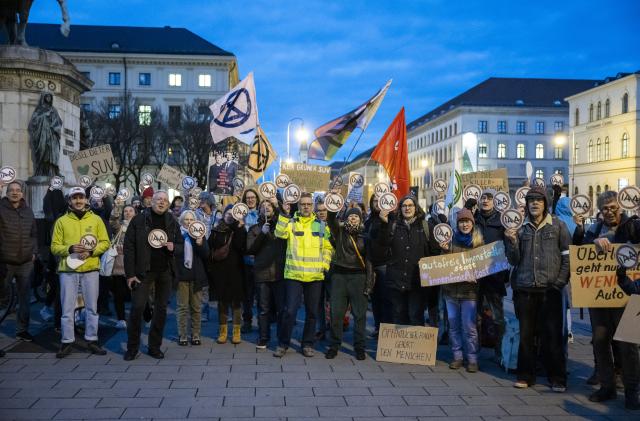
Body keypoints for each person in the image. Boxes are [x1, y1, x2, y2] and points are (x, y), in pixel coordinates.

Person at [573, 190, 640, 409]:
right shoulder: (594, 229)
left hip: (628, 298)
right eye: (605, 209)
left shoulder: (632, 225)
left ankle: (632, 392)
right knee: (601, 342)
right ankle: (607, 386)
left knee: (629, 347)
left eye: (613, 207)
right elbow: (580, 250)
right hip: (599, 295)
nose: (610, 212)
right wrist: (591, 240)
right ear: (600, 211)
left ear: (620, 206)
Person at [504, 186, 570, 392]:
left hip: (550, 290)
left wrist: (558, 283)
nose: (534, 203)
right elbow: (513, 260)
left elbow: (568, 258)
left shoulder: (558, 226)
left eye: (538, 200)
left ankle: (557, 377)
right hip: (525, 289)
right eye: (531, 200)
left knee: (552, 336)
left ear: (545, 204)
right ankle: (525, 375)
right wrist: (512, 241)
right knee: (526, 335)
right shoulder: (521, 229)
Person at [50, 186, 110, 358]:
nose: (78, 201)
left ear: (86, 200)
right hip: (68, 270)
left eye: (81, 198)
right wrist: (69, 249)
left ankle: (92, 340)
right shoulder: (62, 221)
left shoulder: (96, 220)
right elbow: (54, 247)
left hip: (90, 268)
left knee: (92, 307)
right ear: (69, 201)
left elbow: (105, 242)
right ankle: (66, 341)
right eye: (74, 198)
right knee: (67, 308)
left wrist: (91, 252)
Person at [123, 190, 183, 360]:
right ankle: (132, 347)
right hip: (143, 272)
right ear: (151, 202)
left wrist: (174, 247)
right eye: (159, 200)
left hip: (165, 271)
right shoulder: (139, 219)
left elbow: (180, 244)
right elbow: (129, 248)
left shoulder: (172, 220)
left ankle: (154, 346)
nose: (162, 202)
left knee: (161, 310)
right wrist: (130, 275)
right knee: (137, 308)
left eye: (165, 200)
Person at [274, 192, 332, 358]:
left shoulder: (321, 225)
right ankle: (283, 343)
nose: (306, 206)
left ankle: (307, 344)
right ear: (298, 206)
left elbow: (328, 247)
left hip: (315, 277)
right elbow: (279, 234)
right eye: (302, 204)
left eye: (308, 204)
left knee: (312, 313)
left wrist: (324, 265)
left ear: (312, 206)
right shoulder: (291, 222)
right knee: (290, 311)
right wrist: (284, 214)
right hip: (294, 275)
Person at [377, 195, 439, 325]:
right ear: (400, 209)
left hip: (417, 282)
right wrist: (383, 224)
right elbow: (381, 248)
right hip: (396, 281)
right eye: (404, 206)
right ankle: (401, 346)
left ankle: (417, 346)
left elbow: (434, 253)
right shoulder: (392, 225)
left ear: (416, 208)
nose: (407, 208)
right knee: (399, 317)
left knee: (415, 316)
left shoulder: (426, 227)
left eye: (410, 205)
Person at [324, 206, 373, 360]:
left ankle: (359, 347)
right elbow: (331, 220)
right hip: (339, 276)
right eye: (350, 216)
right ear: (345, 218)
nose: (353, 218)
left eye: (356, 216)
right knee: (336, 313)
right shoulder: (339, 232)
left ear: (360, 219)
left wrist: (369, 282)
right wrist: (333, 205)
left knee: (359, 315)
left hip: (358, 277)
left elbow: (369, 262)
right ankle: (334, 345)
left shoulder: (365, 236)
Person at [441, 208, 483, 373]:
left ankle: (472, 358)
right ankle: (457, 356)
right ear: (457, 224)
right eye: (461, 221)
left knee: (469, 326)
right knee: (453, 325)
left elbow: (485, 265)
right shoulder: (450, 242)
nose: (464, 224)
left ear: (472, 223)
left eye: (467, 221)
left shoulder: (479, 242)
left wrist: (477, 276)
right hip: (450, 292)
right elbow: (441, 266)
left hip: (469, 292)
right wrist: (443, 250)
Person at [0, 180, 38, 341]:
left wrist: (34, 252)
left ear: (22, 193)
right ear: (7, 193)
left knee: (25, 298)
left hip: (26, 262)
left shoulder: (28, 211)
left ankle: (22, 330)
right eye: (11, 190)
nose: (15, 192)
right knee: (2, 298)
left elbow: (34, 233)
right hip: (4, 261)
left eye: (18, 190)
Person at [246, 198, 287, 349]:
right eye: (263, 206)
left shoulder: (280, 226)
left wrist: (279, 203)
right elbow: (250, 249)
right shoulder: (254, 229)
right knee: (263, 308)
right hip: (262, 273)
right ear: (259, 211)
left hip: (279, 273)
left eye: (269, 205)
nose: (266, 208)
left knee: (281, 308)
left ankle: (282, 339)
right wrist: (262, 234)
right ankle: (263, 337)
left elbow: (287, 218)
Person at [474, 190, 508, 363]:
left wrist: (505, 274)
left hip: (495, 276)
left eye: (489, 198)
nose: (485, 201)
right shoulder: (473, 219)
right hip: (475, 276)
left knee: (497, 316)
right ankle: (475, 350)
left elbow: (508, 248)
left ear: (495, 202)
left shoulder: (502, 220)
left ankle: (500, 350)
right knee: (475, 315)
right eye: (483, 198)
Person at [209, 204, 247, 345]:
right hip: (220, 271)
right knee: (222, 302)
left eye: (233, 214)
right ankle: (223, 331)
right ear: (223, 215)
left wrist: (240, 229)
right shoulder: (216, 229)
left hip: (236, 270)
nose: (230, 216)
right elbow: (210, 249)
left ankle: (236, 332)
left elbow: (241, 246)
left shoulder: (240, 229)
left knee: (236, 302)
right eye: (227, 213)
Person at [175, 210, 209, 346]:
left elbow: (206, 254)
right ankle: (182, 335)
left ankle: (195, 334)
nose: (188, 222)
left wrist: (200, 243)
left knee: (196, 307)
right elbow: (174, 253)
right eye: (186, 220)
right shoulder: (177, 234)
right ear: (182, 221)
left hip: (196, 275)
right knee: (182, 307)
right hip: (182, 276)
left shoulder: (199, 234)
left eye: (191, 220)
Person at [364, 194, 392, 337]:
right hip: (371, 265)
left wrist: (385, 222)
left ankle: (386, 330)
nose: (377, 203)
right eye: (374, 201)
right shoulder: (368, 221)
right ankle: (378, 326)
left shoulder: (391, 219)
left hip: (385, 265)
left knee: (386, 299)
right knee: (375, 300)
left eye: (379, 201)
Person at [109, 202, 136, 329]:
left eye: (131, 210)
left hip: (135, 265)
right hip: (119, 264)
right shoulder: (119, 227)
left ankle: (145, 314)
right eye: (126, 211)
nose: (128, 213)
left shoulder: (140, 227)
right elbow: (113, 221)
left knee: (138, 293)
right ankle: (121, 318)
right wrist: (117, 207)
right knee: (119, 293)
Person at [196, 192, 221, 322]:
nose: (201, 202)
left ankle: (224, 312)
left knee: (220, 283)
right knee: (204, 284)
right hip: (202, 251)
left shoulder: (218, 214)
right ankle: (204, 312)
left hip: (215, 252)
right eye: (200, 200)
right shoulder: (196, 214)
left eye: (203, 200)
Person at [241, 188, 260, 333]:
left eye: (253, 197)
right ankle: (247, 320)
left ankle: (261, 321)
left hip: (260, 262)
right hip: (245, 261)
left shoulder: (262, 214)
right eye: (248, 198)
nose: (250, 199)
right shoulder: (240, 214)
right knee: (247, 295)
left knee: (261, 295)